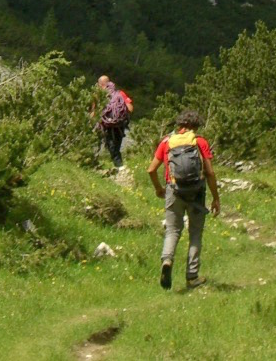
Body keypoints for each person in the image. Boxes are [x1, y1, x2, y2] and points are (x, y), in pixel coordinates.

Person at [148, 109, 221, 290]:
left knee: (172, 231)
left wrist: (159, 188)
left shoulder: (166, 142)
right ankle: (192, 276)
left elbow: (151, 169)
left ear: (179, 124)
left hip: (174, 191)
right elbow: (210, 172)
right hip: (196, 192)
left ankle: (167, 261)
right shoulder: (200, 141)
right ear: (195, 125)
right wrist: (215, 198)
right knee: (195, 233)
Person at [94, 75, 130, 168]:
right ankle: (120, 167)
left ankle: (94, 162)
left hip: (106, 125)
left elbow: (93, 112)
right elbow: (130, 108)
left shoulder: (98, 95)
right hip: (119, 124)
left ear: (99, 84)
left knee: (102, 144)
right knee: (116, 146)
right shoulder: (120, 93)